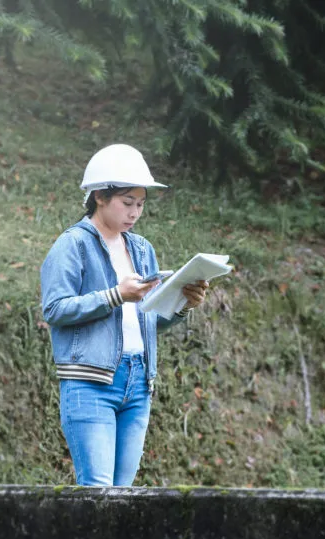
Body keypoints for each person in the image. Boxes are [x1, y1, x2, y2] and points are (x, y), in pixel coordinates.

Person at [40, 143, 209, 487]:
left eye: (141, 205)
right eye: (127, 203)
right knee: (98, 491)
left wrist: (182, 304)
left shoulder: (142, 249)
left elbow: (146, 318)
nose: (135, 213)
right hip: (90, 382)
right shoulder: (73, 244)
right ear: (100, 196)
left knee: (124, 496)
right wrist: (117, 295)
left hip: (138, 382)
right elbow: (55, 309)